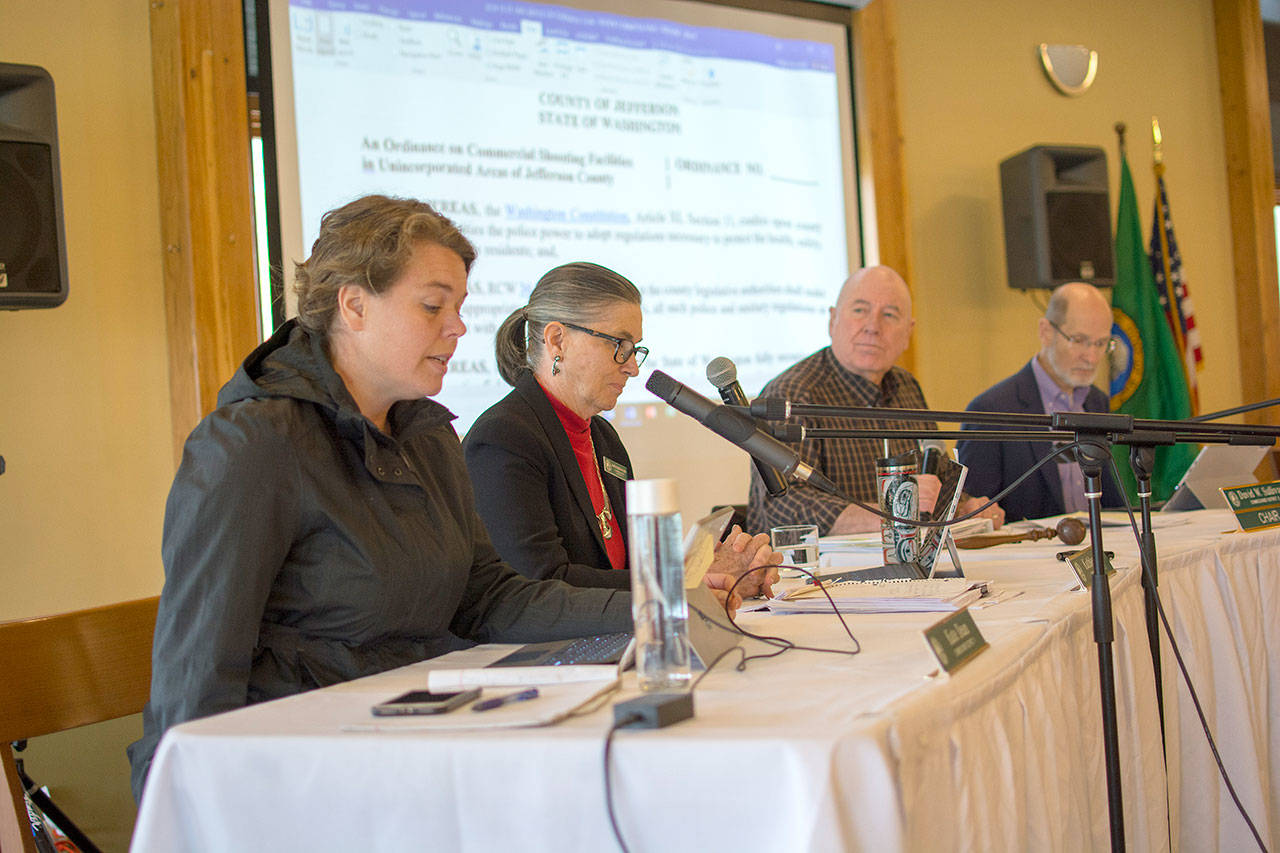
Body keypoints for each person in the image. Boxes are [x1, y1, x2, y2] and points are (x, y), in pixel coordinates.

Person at [128, 198, 633, 801]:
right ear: (354, 304)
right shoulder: (254, 443)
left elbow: (487, 598)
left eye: (460, 308)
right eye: (432, 305)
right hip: (310, 773)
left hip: (417, 744)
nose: (458, 327)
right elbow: (199, 673)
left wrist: (655, 611)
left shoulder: (428, 435)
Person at [463, 262, 779, 598]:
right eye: (619, 346)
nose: (631, 367)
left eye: (634, 350)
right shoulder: (503, 438)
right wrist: (688, 581)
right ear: (557, 340)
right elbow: (542, 584)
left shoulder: (602, 436)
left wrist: (707, 568)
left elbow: (631, 570)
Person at [746, 265, 1004, 536]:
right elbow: (783, 505)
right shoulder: (789, 394)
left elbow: (935, 477)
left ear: (908, 332)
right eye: (859, 310)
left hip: (904, 564)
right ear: (832, 320)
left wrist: (964, 508)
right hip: (820, 571)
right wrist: (894, 513)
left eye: (890, 315)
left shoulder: (907, 388)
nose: (873, 327)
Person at [957, 282, 1125, 522]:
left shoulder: (1096, 402)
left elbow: (1106, 498)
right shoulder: (991, 411)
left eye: (1100, 344)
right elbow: (974, 518)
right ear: (1046, 332)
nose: (1091, 357)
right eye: (1079, 340)